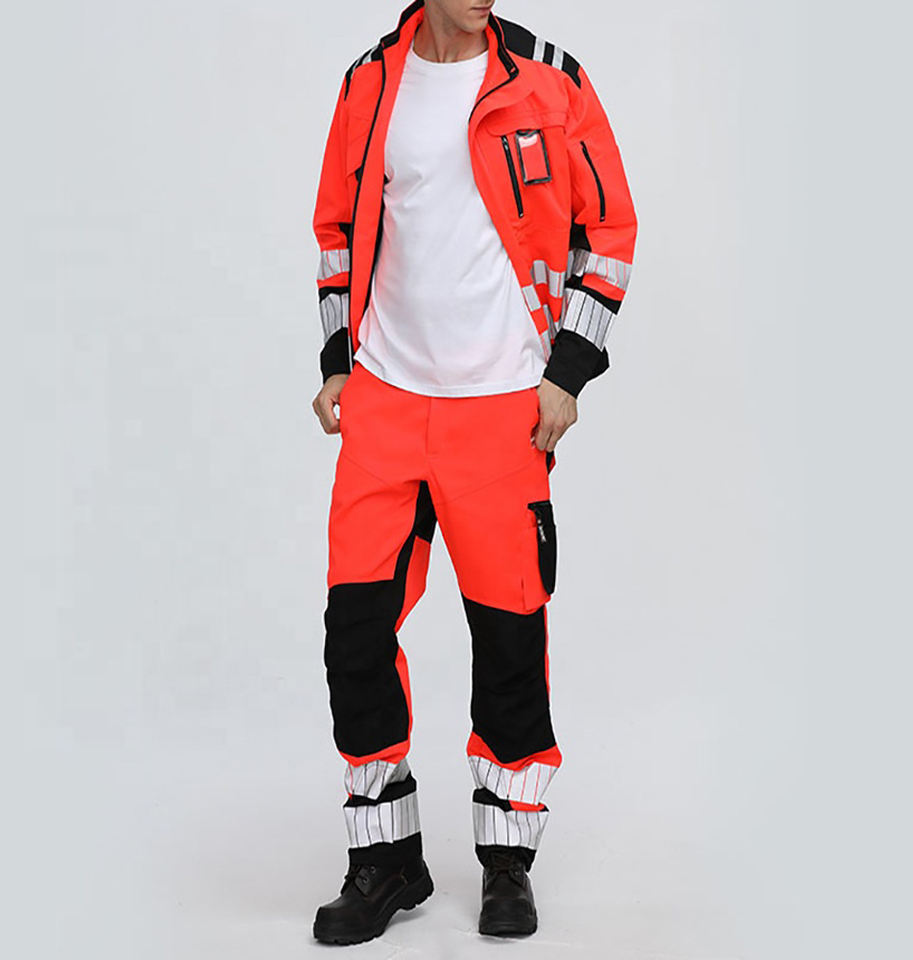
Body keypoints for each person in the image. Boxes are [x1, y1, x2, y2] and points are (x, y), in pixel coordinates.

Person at [309, 0, 637, 944]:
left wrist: (568, 370)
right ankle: (386, 859)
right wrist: (337, 360)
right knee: (355, 635)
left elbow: (610, 229)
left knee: (509, 638)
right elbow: (337, 230)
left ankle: (507, 865)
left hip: (500, 410)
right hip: (384, 401)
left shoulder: (551, 79)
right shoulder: (369, 82)